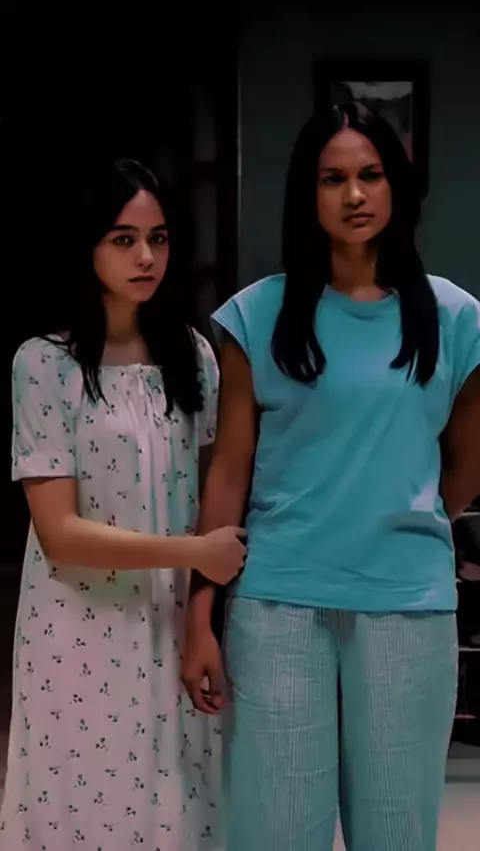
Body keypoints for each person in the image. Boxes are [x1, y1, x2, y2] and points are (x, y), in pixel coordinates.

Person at [182, 104, 480, 851]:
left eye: (370, 175)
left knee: (396, 832)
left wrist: (395, 519)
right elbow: (229, 472)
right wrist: (199, 616)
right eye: (332, 179)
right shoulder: (257, 316)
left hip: (408, 608)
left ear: (396, 186)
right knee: (276, 831)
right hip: (278, 607)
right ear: (306, 194)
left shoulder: (456, 318)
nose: (354, 195)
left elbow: (465, 468)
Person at [1, 159, 245, 850]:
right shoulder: (44, 363)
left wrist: (202, 616)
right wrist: (195, 552)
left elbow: (214, 492)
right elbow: (60, 534)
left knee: (180, 809)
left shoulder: (193, 356)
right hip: (76, 634)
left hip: (171, 624)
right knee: (83, 812)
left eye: (158, 239)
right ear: (88, 245)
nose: (146, 257)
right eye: (123, 239)